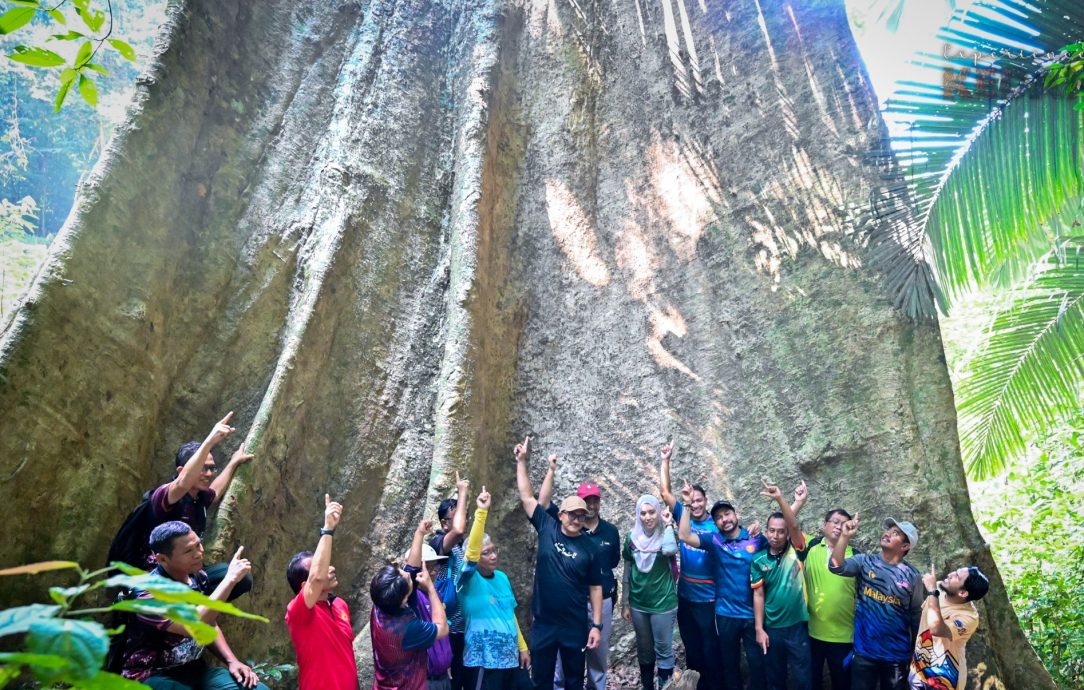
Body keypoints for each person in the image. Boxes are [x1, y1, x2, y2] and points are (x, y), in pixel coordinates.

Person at [120, 521, 267, 689]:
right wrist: (230, 579)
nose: (199, 553)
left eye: (198, 545)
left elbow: (208, 622)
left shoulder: (198, 577)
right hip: (151, 675)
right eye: (189, 550)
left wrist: (232, 661)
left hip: (194, 669)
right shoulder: (147, 594)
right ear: (162, 559)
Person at [514, 435, 604, 690]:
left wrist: (596, 625)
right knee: (541, 678)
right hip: (543, 623)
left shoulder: (590, 547)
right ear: (561, 514)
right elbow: (527, 497)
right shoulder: (546, 527)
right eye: (572, 514)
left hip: (574, 625)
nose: (577, 519)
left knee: (574, 680)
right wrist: (522, 462)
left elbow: (596, 587)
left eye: (581, 515)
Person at [148, 412, 255, 598]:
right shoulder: (165, 497)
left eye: (211, 468)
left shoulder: (198, 497)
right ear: (182, 471)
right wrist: (209, 442)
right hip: (160, 579)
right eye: (202, 468)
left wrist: (233, 462)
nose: (209, 473)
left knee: (240, 578)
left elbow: (214, 493)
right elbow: (181, 484)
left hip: (189, 575)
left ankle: (199, 609)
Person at [538, 456, 622, 690]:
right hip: (571, 603)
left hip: (601, 599)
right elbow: (542, 504)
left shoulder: (610, 532)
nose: (591, 505)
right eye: (586, 500)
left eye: (594, 500)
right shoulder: (562, 527)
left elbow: (613, 562)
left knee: (597, 655)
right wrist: (551, 469)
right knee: (564, 659)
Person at [677, 484, 768, 690]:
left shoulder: (755, 538)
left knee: (757, 665)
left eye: (727, 514)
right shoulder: (714, 540)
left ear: (736, 515)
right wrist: (686, 504)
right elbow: (684, 536)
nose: (724, 519)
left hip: (752, 615)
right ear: (715, 522)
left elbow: (781, 538)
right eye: (719, 517)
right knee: (729, 666)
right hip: (725, 614)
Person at [829, 515, 923, 690]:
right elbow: (836, 566)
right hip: (864, 652)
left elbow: (916, 614)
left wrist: (916, 652)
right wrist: (845, 536)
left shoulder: (913, 575)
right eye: (888, 530)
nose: (887, 533)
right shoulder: (865, 561)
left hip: (896, 656)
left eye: (895, 533)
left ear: (905, 546)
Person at [457, 486, 531, 689]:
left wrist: (522, 648)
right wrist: (481, 512)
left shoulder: (502, 577)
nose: (493, 556)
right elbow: (470, 555)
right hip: (483, 662)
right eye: (486, 553)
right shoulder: (467, 580)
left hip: (510, 659)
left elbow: (509, 614)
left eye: (493, 550)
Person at [659, 443, 718, 690]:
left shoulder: (717, 526)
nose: (695, 505)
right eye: (691, 501)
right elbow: (664, 492)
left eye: (699, 500)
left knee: (711, 651)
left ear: (706, 501)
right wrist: (666, 460)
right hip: (686, 598)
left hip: (709, 601)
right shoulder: (683, 516)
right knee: (692, 650)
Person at [285, 494, 357, 690]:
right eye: (323, 568)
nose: (331, 569)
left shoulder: (340, 604)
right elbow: (316, 578)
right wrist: (328, 529)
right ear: (304, 587)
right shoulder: (298, 613)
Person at [751, 481, 810, 690]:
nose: (776, 536)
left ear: (787, 535)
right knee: (775, 680)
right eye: (771, 531)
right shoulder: (758, 560)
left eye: (780, 532)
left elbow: (792, 525)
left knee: (803, 680)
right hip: (772, 628)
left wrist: (782, 499)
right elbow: (758, 595)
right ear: (766, 532)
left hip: (797, 628)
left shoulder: (797, 550)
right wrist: (759, 628)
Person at [622, 495, 679, 690]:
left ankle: (665, 686)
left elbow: (671, 550)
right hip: (638, 604)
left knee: (663, 650)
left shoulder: (667, 535)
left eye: (651, 512)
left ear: (658, 511)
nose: (647, 517)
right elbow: (627, 571)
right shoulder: (631, 538)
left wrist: (669, 523)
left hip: (663, 603)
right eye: (643, 513)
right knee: (645, 651)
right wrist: (625, 602)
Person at [799, 507, 857, 690]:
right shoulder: (810, 546)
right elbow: (789, 525)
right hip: (812, 633)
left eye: (844, 524)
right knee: (812, 681)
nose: (839, 527)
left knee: (842, 683)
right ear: (824, 525)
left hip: (844, 636)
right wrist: (799, 501)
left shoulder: (856, 556)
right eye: (836, 522)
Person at [369, 559, 449, 690]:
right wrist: (430, 588)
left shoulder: (379, 605)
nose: (406, 573)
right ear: (405, 599)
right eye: (405, 577)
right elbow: (443, 628)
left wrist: (418, 536)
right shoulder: (408, 627)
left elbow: (410, 569)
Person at [908, 565, 989, 690]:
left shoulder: (969, 618)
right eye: (955, 572)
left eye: (957, 576)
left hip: (944, 681)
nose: (950, 574)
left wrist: (932, 592)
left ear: (963, 593)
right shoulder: (940, 589)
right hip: (919, 670)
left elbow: (937, 630)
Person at [430, 473, 471, 690]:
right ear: (443, 523)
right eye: (454, 517)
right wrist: (462, 492)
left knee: (467, 677)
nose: (460, 520)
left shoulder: (465, 546)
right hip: (449, 626)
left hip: (468, 624)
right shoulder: (438, 543)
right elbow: (459, 530)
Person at [406, 519, 456, 690]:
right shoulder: (410, 598)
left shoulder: (434, 594)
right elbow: (410, 574)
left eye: (435, 566)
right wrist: (419, 534)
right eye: (429, 566)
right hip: (424, 680)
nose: (433, 571)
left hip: (442, 677)